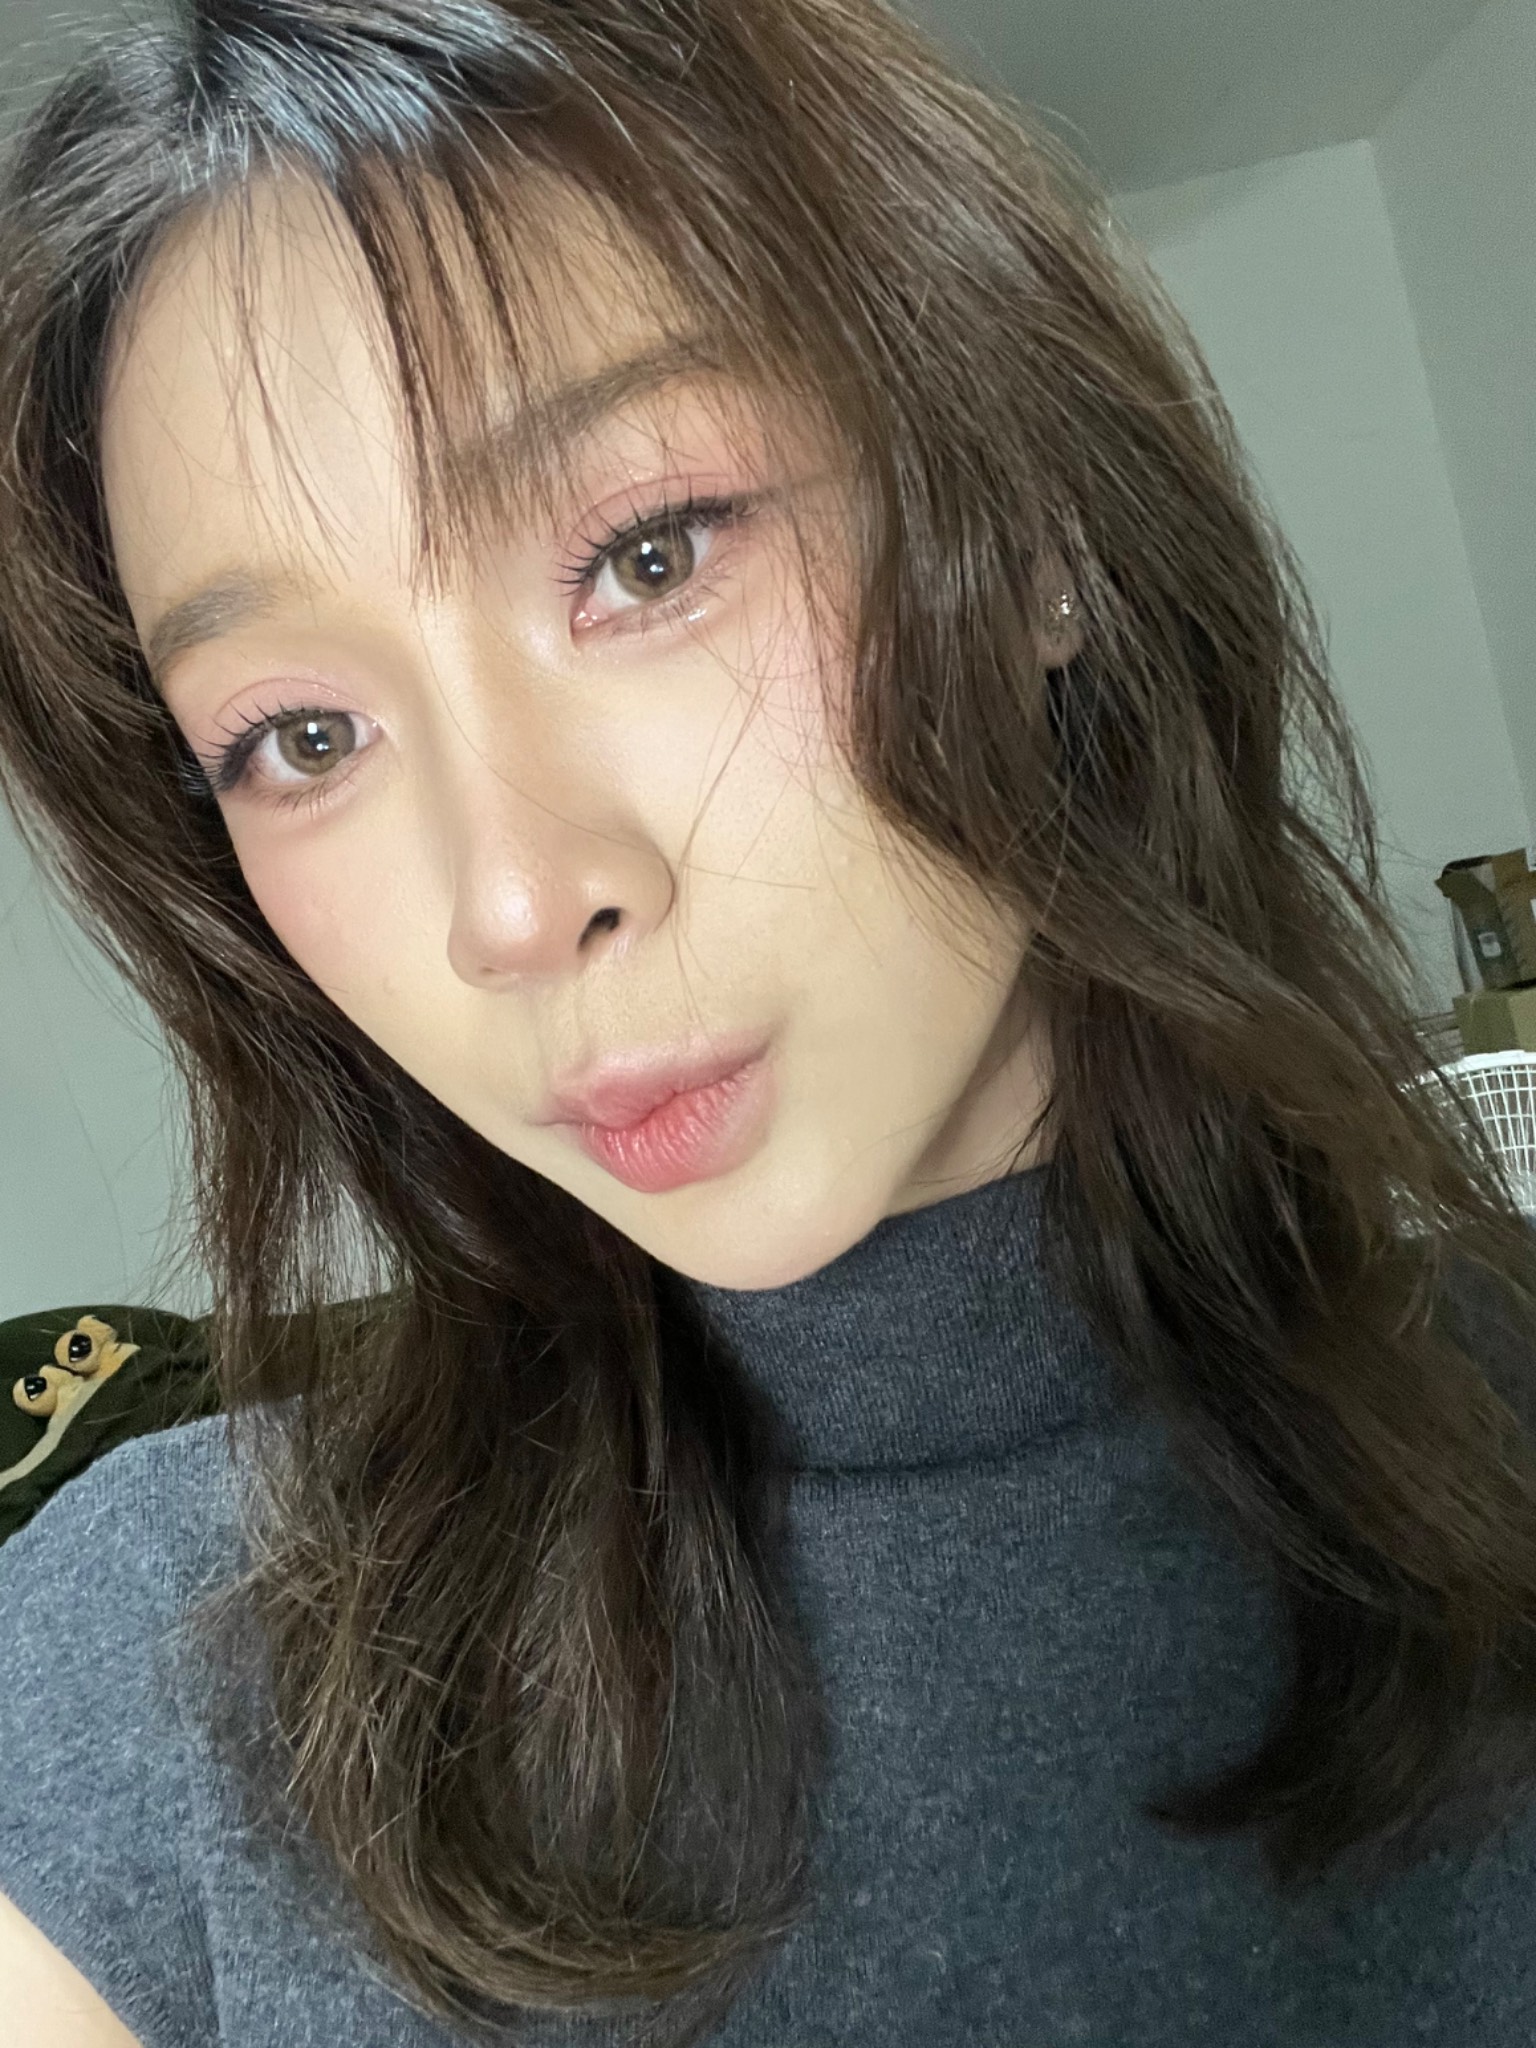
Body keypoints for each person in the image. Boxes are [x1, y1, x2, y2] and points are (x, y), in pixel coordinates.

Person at [1, 0, 1535, 2042]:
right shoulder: (146, 1667)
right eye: (302, 734)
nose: (513, 904)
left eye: (646, 557)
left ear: (1037, 535)